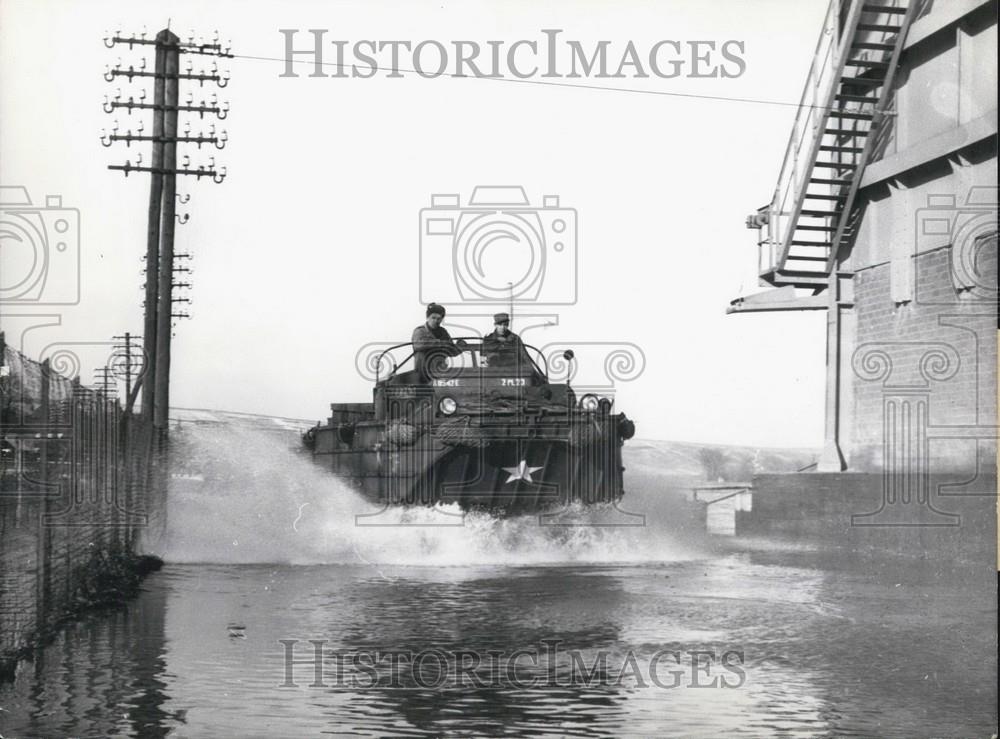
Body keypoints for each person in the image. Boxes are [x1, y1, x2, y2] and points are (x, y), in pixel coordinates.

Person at [411, 303, 461, 382]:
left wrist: (459, 347)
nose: (435, 321)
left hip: (440, 372)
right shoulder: (420, 331)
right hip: (423, 373)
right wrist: (441, 343)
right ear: (427, 317)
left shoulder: (443, 332)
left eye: (439, 318)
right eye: (433, 317)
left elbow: (452, 350)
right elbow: (419, 344)